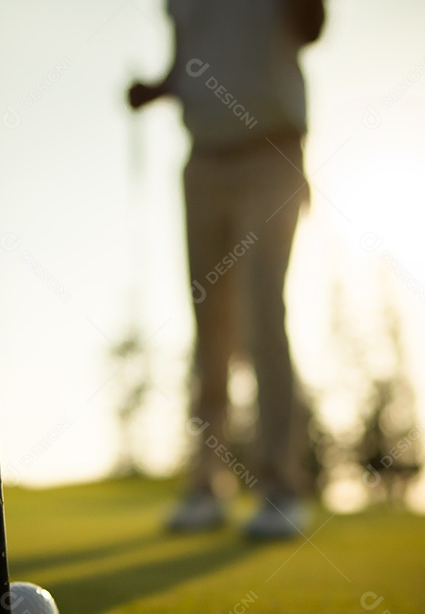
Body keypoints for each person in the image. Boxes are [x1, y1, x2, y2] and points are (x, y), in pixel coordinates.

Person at [128, 0, 325, 539]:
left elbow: (311, 27)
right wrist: (157, 89)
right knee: (209, 330)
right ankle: (206, 486)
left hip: (272, 154)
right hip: (205, 161)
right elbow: (186, 65)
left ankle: (280, 488)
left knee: (265, 318)